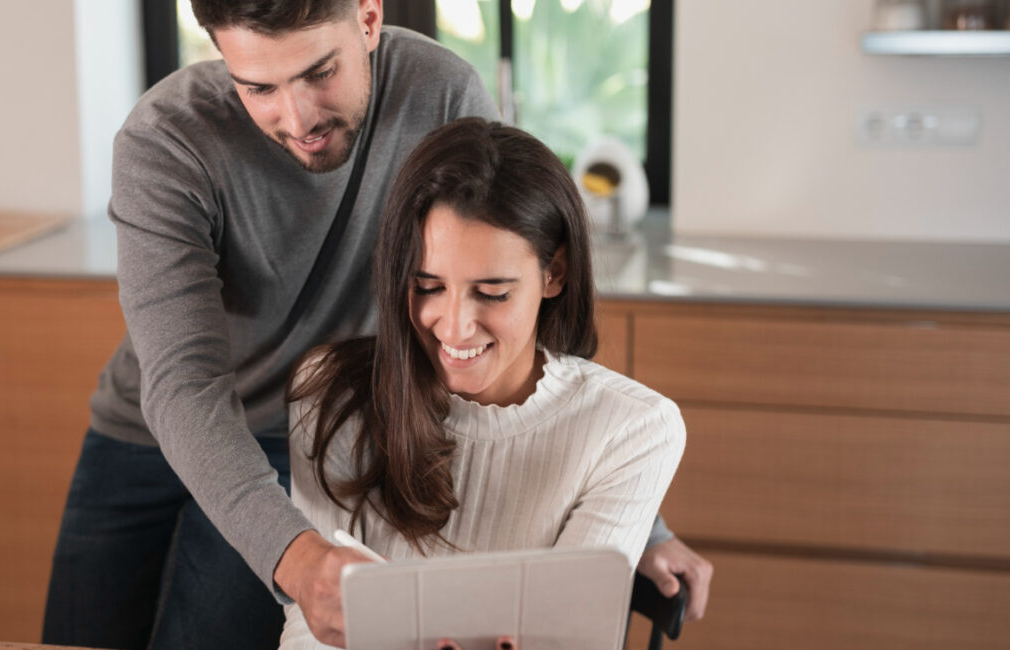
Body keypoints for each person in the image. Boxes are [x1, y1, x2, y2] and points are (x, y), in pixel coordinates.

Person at [42, 1, 711, 648]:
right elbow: (182, 384)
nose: (296, 117)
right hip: (152, 429)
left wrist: (635, 524)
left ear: (368, 16)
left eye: (318, 74)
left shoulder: (439, 94)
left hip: (313, 430)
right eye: (257, 88)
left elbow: (509, 273)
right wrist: (298, 560)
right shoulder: (164, 141)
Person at [280, 118, 686, 648]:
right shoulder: (330, 392)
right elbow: (311, 631)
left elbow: (569, 639)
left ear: (554, 273)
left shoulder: (634, 429)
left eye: (492, 293)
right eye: (428, 286)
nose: (454, 327)